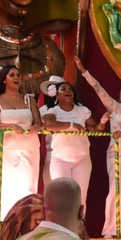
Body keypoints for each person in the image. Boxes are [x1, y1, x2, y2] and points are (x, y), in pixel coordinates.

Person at [79, 63, 121, 239]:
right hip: (116, 151)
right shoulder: (114, 107)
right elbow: (98, 88)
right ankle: (111, 230)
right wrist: (84, 71)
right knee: (116, 188)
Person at [0, 65, 43, 221]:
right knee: (6, 187)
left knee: (28, 185)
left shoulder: (29, 99)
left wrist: (35, 128)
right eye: (12, 75)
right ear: (4, 79)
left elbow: (39, 123)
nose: (17, 78)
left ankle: (28, 220)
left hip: (29, 147)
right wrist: (10, 126)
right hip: (6, 148)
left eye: (18, 75)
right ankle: (6, 223)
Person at [40, 80, 96, 212]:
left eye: (70, 89)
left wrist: (100, 124)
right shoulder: (52, 110)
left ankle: (78, 228)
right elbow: (49, 124)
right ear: (57, 96)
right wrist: (71, 126)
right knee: (62, 195)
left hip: (82, 158)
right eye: (63, 89)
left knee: (81, 196)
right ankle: (63, 229)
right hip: (60, 159)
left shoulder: (82, 110)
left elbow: (93, 126)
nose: (67, 91)